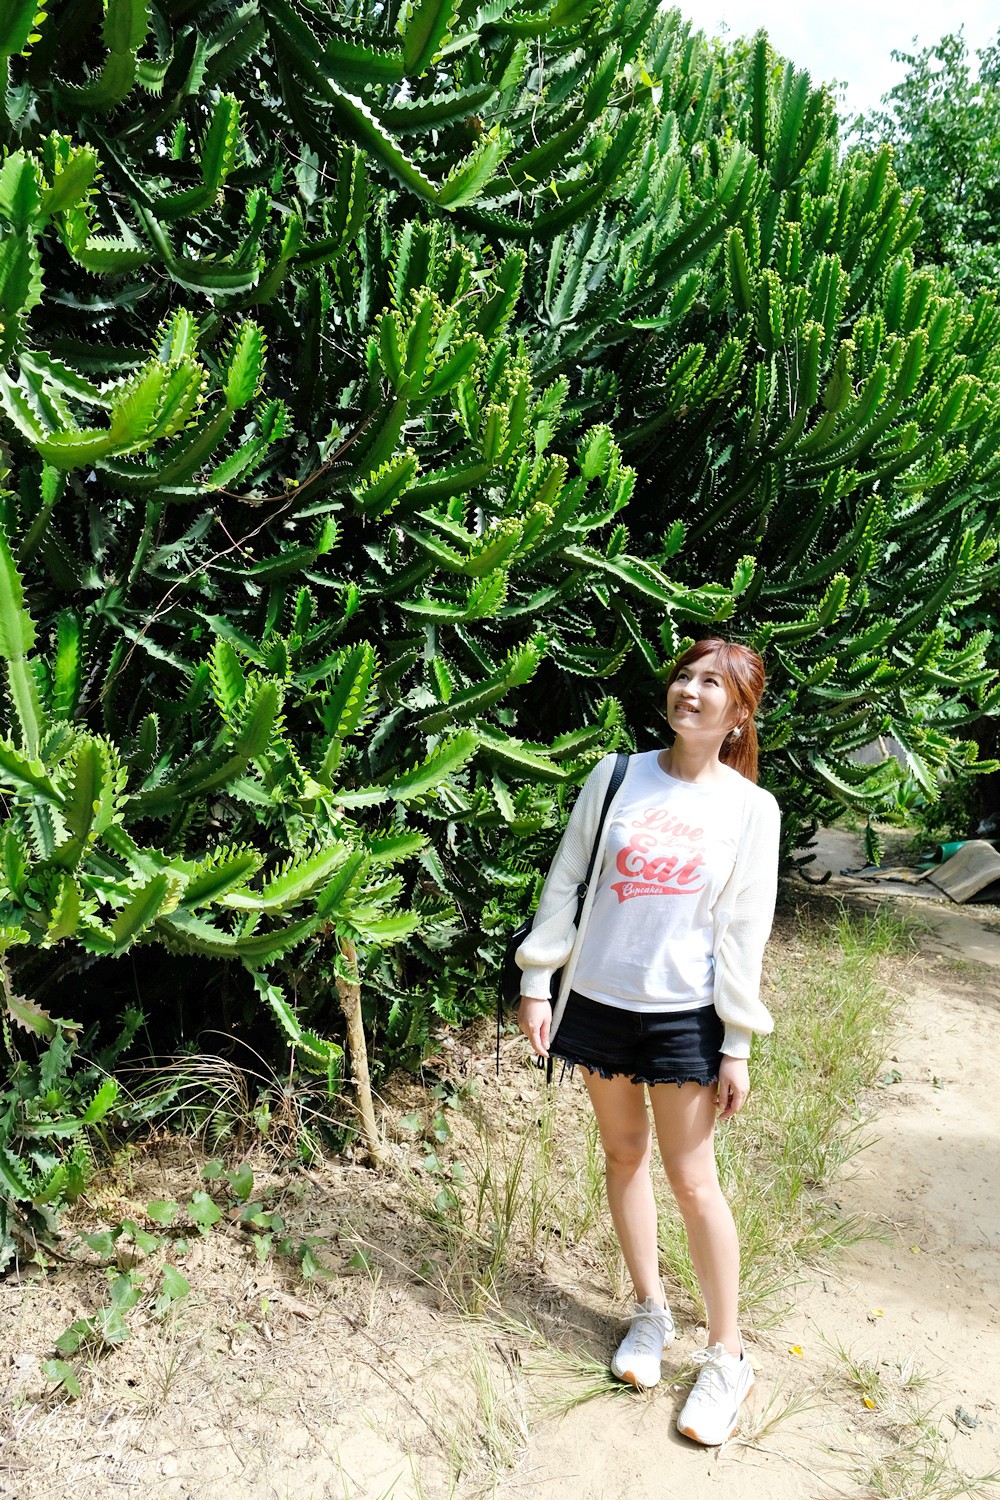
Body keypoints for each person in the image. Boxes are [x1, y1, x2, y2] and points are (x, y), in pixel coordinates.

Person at [514, 638, 780, 1446]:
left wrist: (736, 1041)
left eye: (711, 685)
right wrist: (536, 980)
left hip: (683, 1014)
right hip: (596, 999)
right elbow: (565, 881)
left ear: (738, 713)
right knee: (622, 1156)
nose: (689, 692)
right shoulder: (617, 775)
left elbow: (745, 933)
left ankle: (727, 1355)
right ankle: (650, 1313)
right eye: (684, 676)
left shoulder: (749, 809)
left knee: (693, 1179)